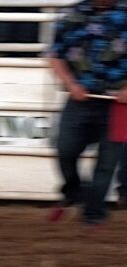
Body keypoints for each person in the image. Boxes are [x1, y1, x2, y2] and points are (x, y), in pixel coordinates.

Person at [48, 0, 127, 225]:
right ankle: (74, 192)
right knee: (65, 149)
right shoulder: (71, 14)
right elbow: (55, 56)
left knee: (106, 163)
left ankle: (93, 214)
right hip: (80, 98)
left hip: (118, 104)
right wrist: (71, 84)